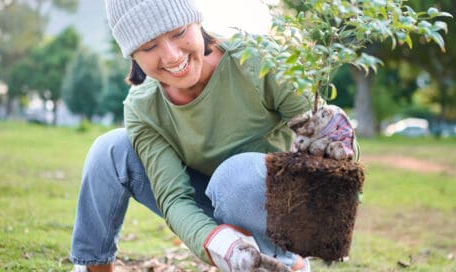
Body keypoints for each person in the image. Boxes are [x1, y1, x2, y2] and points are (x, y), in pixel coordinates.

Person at [69, 0, 355, 271]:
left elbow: (339, 172)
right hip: (208, 207)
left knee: (233, 176)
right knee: (111, 148)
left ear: (197, 22)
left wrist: (340, 141)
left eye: (179, 32)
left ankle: (286, 261)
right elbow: (174, 198)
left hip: (277, 206)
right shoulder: (143, 108)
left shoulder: (257, 60)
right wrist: (218, 244)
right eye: (149, 46)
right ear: (133, 55)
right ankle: (94, 267)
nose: (171, 55)